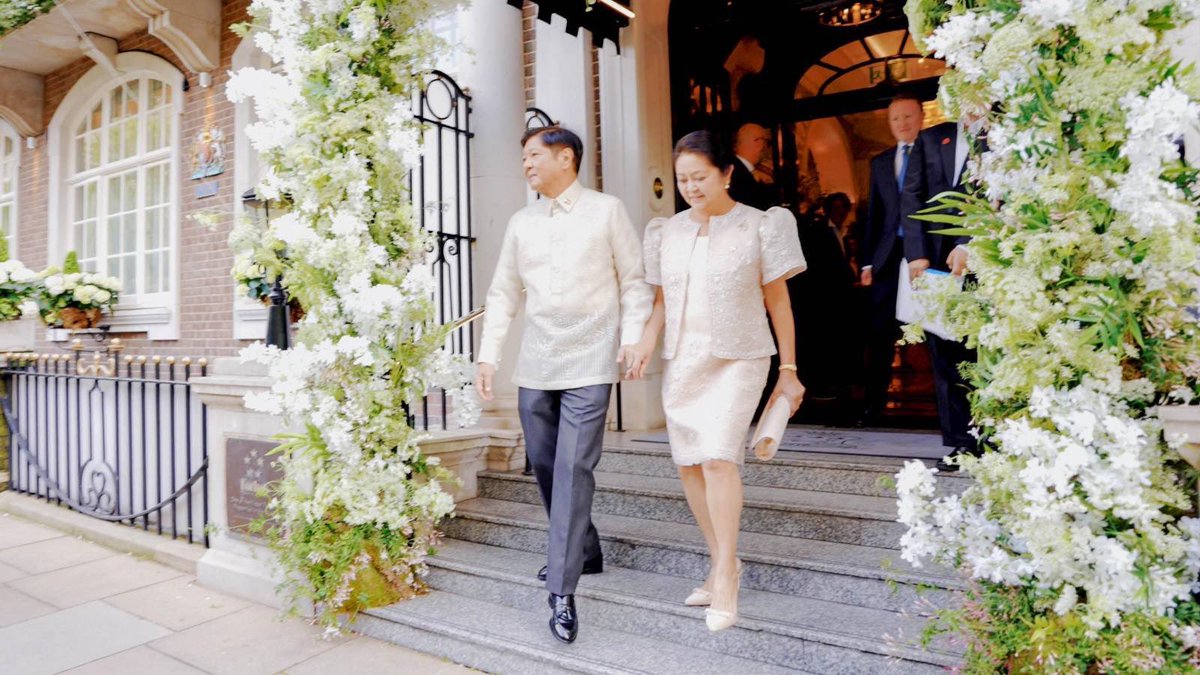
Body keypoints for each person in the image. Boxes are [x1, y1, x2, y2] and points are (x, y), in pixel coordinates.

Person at [474, 126, 653, 643]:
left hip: (592, 361)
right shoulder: (521, 222)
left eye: (534, 156)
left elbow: (634, 281)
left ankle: (563, 590)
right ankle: (586, 548)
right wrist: (489, 357)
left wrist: (633, 337)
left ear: (565, 158)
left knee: (574, 468)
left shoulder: (607, 210)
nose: (526, 165)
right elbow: (504, 292)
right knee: (549, 465)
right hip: (536, 365)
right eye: (524, 156)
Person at [627, 130, 807, 632]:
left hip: (741, 357)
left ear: (727, 173)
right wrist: (644, 342)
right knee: (689, 465)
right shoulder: (667, 231)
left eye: (700, 177)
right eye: (683, 179)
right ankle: (720, 558)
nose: (690, 187)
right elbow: (662, 302)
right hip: (684, 360)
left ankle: (726, 576)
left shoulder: (761, 226)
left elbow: (778, 302)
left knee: (719, 459)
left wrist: (788, 372)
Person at [899, 113, 980, 471]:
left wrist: (968, 244)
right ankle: (960, 443)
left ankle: (992, 439)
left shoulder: (1004, 132)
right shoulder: (932, 138)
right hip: (934, 266)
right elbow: (912, 196)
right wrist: (915, 254)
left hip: (982, 262)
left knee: (980, 354)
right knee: (945, 355)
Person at [858, 94, 924, 426]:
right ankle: (873, 406)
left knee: (934, 331)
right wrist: (867, 262)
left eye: (908, 116)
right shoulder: (880, 162)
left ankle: (947, 410)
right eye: (895, 118)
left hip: (926, 255)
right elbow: (874, 216)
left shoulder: (932, 153)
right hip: (887, 258)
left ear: (921, 118)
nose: (902, 123)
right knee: (880, 334)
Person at [728, 122, 776, 210]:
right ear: (758, 142)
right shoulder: (735, 173)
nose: (765, 146)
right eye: (764, 140)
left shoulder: (742, 170)